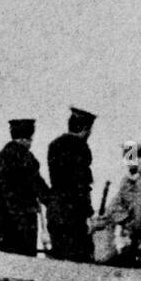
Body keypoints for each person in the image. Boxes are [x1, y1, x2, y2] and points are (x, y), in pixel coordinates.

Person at [96, 142, 141, 268]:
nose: (133, 161)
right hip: (132, 236)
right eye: (130, 157)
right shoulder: (126, 183)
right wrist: (126, 220)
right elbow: (113, 209)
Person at [0, 119, 50, 254]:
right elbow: (38, 185)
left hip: (3, 216)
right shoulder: (26, 157)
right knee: (25, 256)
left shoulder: (0, 156)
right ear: (26, 139)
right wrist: (53, 202)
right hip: (24, 218)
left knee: (7, 255)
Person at [46, 107, 96, 262]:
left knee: (59, 258)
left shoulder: (54, 145)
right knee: (80, 260)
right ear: (84, 128)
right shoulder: (80, 147)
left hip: (55, 211)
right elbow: (81, 185)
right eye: (89, 130)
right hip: (74, 214)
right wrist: (89, 214)